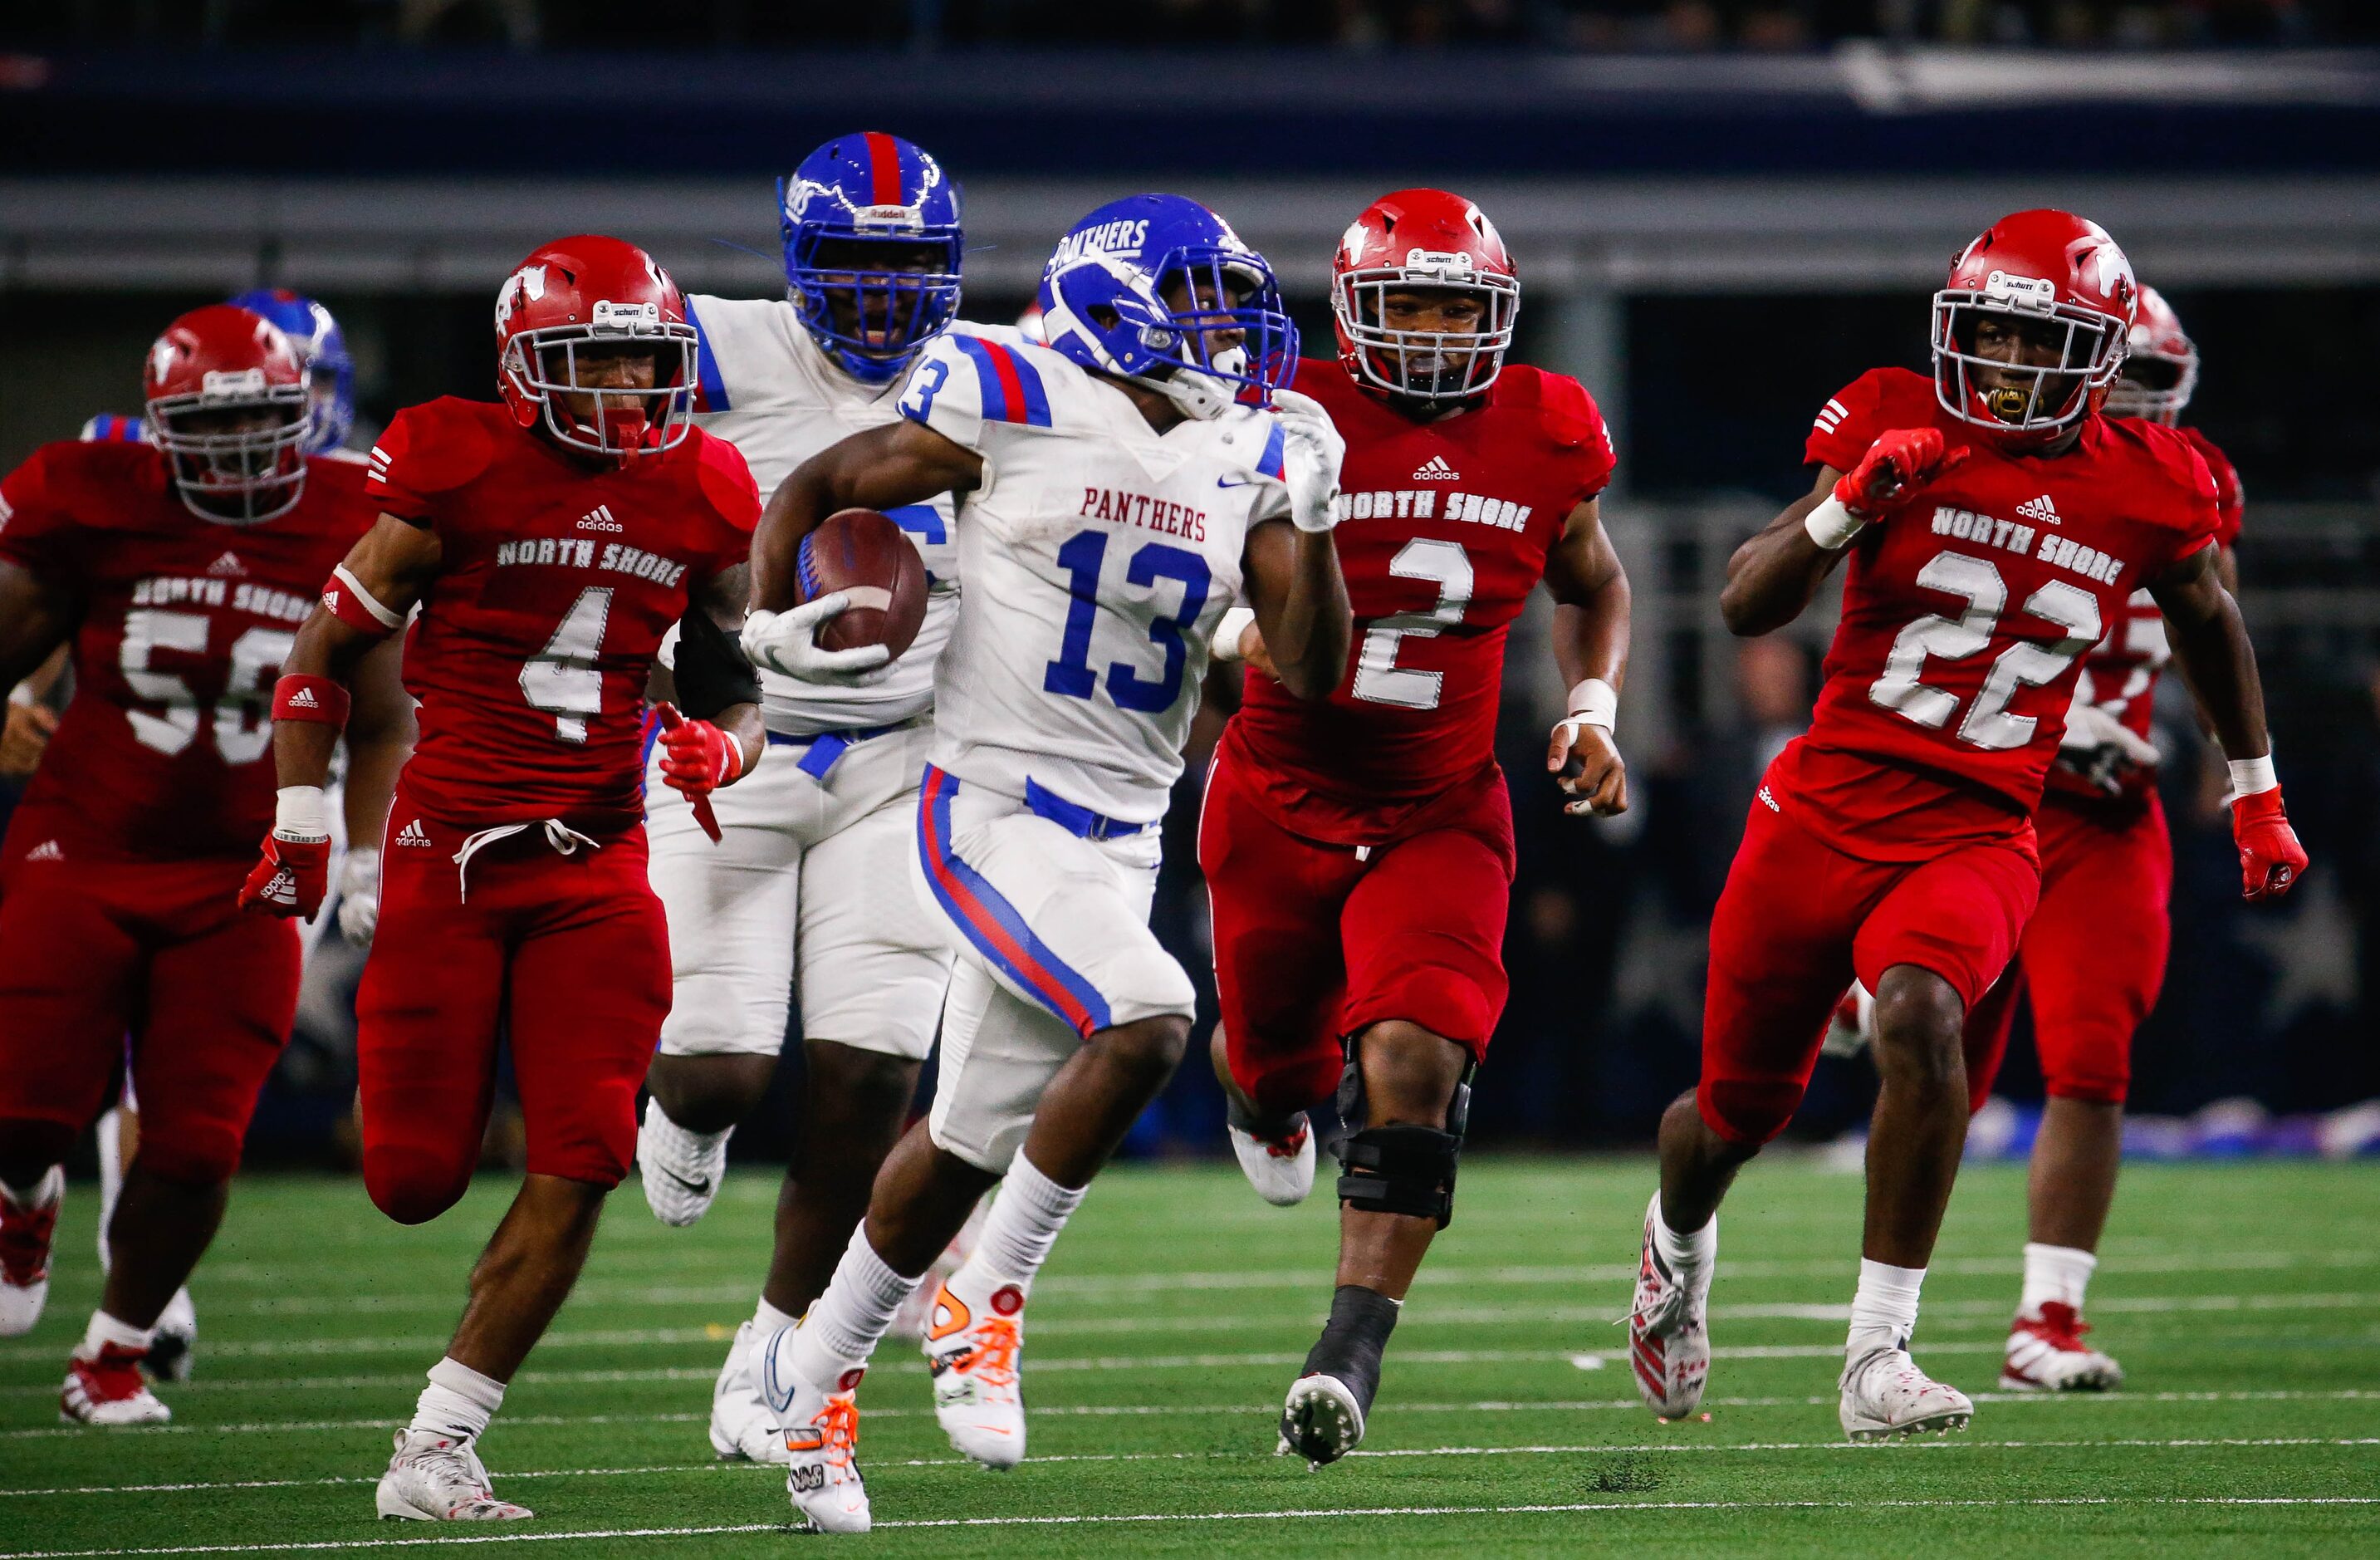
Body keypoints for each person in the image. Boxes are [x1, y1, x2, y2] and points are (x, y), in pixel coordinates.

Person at [1627, 209, 2306, 1441]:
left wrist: (2251, 778)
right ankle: (1673, 1245)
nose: (1996, 361)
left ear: (2094, 355)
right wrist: (1842, 510)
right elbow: (1740, 600)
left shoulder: (2151, 480)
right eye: (1982, 332)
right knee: (1731, 1117)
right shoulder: (1899, 411)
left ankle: (1877, 1352)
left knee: (1924, 1016)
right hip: (1820, 813)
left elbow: (2208, 617)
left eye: (2028, 338)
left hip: (1985, 822)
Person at [737, 194, 1351, 1533]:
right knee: (1151, 1016)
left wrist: (1315, 524)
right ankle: (986, 1295)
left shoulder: (1243, 446)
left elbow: (1305, 669)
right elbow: (824, 485)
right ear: (1115, 296)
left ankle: (813, 1389)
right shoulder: (1012, 385)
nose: (1224, 325)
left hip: (1120, 839)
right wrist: (763, 618)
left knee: (959, 1143)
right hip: (993, 806)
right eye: (1197, 296)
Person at [241, 235, 766, 1520]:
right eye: (603, 360)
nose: (635, 385)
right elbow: (317, 654)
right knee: (411, 1177)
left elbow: (735, 676)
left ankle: (440, 1439)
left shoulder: (703, 486)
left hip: (597, 859)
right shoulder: (454, 466)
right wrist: (305, 818)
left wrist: (727, 744)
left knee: (579, 1153)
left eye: (650, 357)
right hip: (449, 857)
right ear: (530, 369)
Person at [1196, 188, 1631, 1465]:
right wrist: (1231, 646)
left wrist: (1590, 704)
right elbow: (1184, 563)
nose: (1438, 333)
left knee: (1416, 1060)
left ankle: (1345, 1358)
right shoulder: (1279, 409)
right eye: (1411, 304)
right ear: (1350, 312)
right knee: (1272, 1062)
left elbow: (1591, 581)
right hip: (1276, 798)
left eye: (1460, 306)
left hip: (1441, 805)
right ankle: (1261, 1086)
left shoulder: (1548, 427)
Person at [629, 133, 1020, 1463]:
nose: (874, 295)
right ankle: (679, 1114)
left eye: (903, 264)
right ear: (796, 262)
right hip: (730, 740)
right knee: (720, 1069)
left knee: (865, 1080)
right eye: (848, 263)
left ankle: (779, 1339)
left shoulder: (999, 373)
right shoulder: (711, 348)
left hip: (907, 756)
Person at [0, 303, 403, 1423]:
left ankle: (117, 1351)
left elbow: (382, 714)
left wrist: (366, 855)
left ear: (309, 410)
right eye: (210, 431)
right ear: (155, 427)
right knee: (24, 1102)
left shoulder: (350, 512)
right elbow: (16, 628)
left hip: (250, 862)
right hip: (89, 836)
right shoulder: (97, 488)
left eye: (266, 423)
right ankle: (24, 1191)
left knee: (199, 1134)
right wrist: (22, 700)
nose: (238, 455)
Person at [1965, 284, 2250, 1391]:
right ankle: (1880, 1314)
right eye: (2107, 381)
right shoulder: (1993, 465)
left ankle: (2049, 1315)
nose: (2121, 407)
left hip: (2109, 810)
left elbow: (2212, 632)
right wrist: (2056, 721)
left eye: (2144, 389)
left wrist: (2225, 762)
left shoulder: (2193, 482)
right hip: (1983, 788)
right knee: (1934, 1046)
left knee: (2091, 1059)